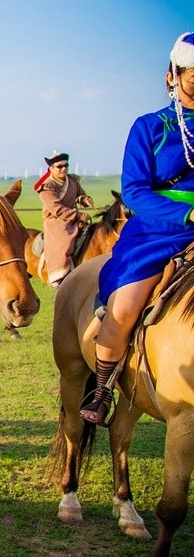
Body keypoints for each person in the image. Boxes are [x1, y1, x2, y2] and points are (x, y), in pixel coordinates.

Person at [80, 32, 194, 425]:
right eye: (192, 77)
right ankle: (102, 388)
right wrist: (187, 214)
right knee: (126, 307)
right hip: (159, 230)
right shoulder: (150, 127)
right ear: (171, 77)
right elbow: (133, 191)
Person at [33, 151, 94, 288]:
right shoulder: (47, 186)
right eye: (59, 166)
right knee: (63, 242)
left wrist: (85, 199)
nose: (64, 169)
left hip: (73, 218)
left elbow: (80, 195)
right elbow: (57, 209)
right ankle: (59, 276)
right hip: (56, 220)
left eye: (66, 165)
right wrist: (78, 215)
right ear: (51, 168)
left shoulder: (72, 181)